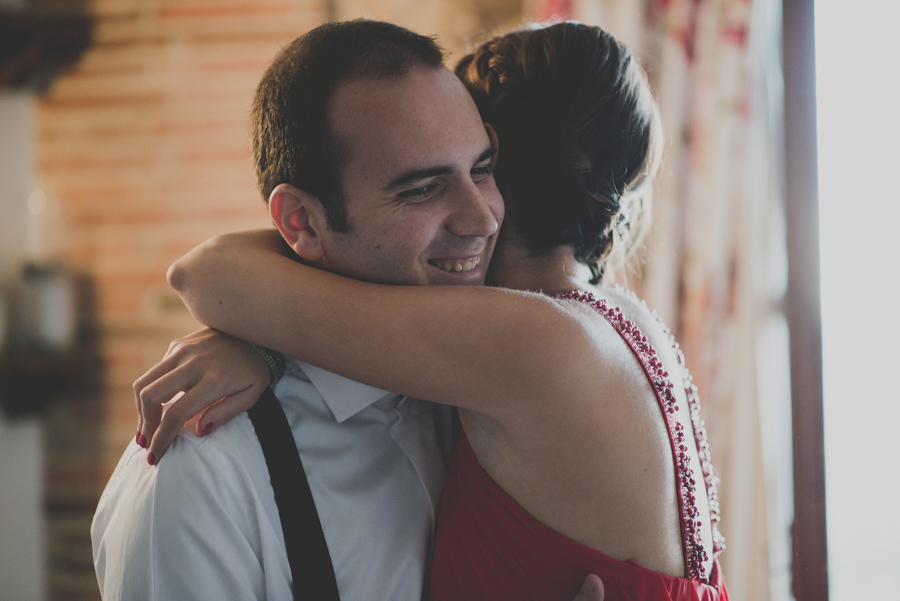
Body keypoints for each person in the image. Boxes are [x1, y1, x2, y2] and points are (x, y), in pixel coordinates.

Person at [138, 22, 728, 601]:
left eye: (480, 167)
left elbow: (209, 273)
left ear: (502, 166)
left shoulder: (522, 346)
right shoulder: (620, 323)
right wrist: (264, 345)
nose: (476, 218)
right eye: (423, 185)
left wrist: (263, 337)